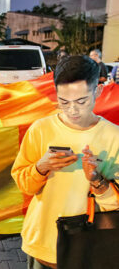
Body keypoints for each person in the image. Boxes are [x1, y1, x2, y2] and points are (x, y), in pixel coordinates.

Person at [11, 55, 119, 269]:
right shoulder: (40, 129)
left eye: (81, 101)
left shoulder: (114, 137)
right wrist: (41, 167)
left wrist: (97, 180)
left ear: (97, 92)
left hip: (89, 248)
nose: (72, 110)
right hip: (43, 244)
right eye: (64, 102)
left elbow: (115, 205)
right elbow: (24, 185)